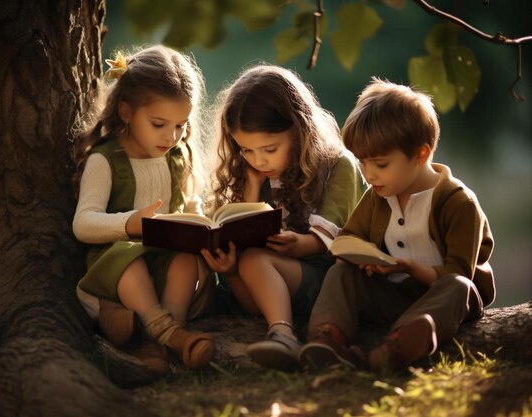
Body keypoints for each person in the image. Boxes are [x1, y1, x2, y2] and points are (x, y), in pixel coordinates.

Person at [299, 78, 495, 373]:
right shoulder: (377, 197)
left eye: (380, 164)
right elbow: (350, 236)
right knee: (341, 273)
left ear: (421, 154)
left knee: (458, 287)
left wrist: (410, 269)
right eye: (362, 163)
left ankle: (398, 346)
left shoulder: (457, 202)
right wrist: (363, 258)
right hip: (393, 296)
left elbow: (458, 271)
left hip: (444, 301)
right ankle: (328, 340)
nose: (369, 174)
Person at [202, 64, 365, 371]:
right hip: (266, 283)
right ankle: (276, 326)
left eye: (269, 148)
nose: (258, 160)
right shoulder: (256, 173)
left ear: (299, 129)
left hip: (328, 281)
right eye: (246, 150)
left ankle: (284, 335)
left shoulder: (337, 165)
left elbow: (332, 242)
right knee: (244, 264)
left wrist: (300, 244)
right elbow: (244, 237)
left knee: (254, 261)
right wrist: (250, 189)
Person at [72, 45, 216, 374]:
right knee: (131, 259)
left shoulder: (177, 158)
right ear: (126, 112)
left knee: (183, 260)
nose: (172, 136)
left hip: (163, 259)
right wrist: (130, 224)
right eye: (159, 124)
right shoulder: (105, 159)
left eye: (180, 125)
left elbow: (188, 206)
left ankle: (163, 335)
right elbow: (82, 223)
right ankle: (167, 335)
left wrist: (204, 226)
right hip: (117, 265)